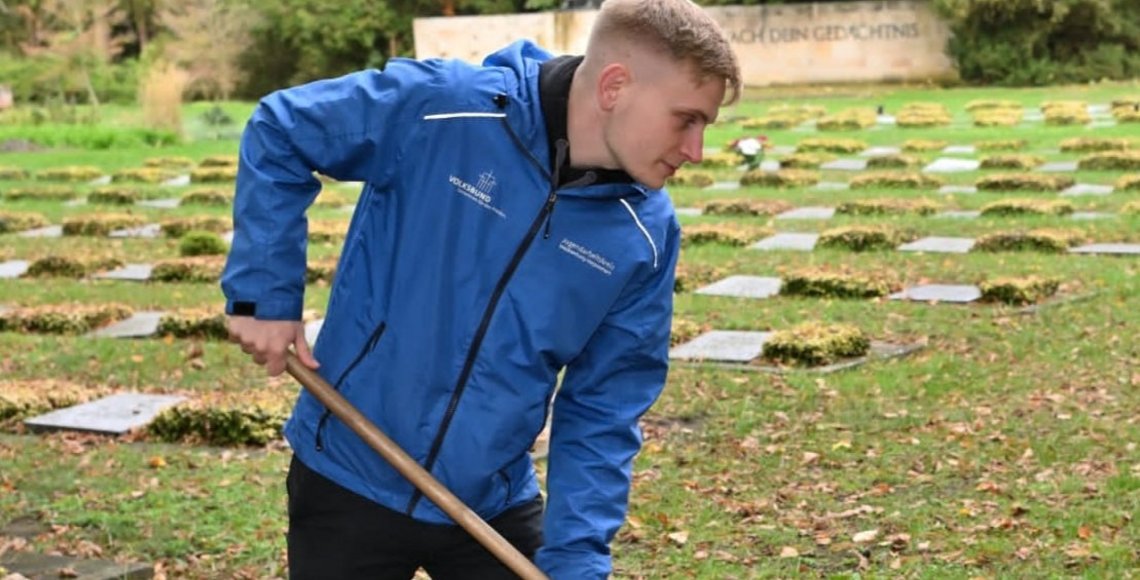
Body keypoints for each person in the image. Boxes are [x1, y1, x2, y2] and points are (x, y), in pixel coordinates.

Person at [222, 0, 740, 577]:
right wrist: (262, 293)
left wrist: (576, 556)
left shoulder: (645, 234)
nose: (696, 151)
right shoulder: (443, 109)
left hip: (490, 500)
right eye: (685, 119)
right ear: (616, 86)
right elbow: (281, 129)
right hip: (348, 471)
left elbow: (605, 406)